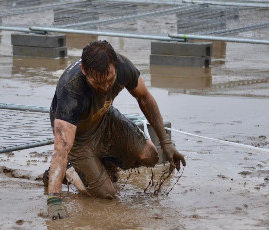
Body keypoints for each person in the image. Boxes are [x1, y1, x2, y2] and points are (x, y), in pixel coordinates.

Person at [46, 40, 186, 220]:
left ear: (115, 66)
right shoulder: (72, 89)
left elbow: (144, 98)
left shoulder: (123, 66)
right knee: (106, 194)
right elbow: (62, 148)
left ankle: (102, 162)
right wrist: (54, 200)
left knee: (151, 156)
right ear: (84, 71)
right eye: (98, 83)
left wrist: (166, 141)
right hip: (78, 138)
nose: (105, 88)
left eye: (109, 80)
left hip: (105, 119)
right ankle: (71, 171)